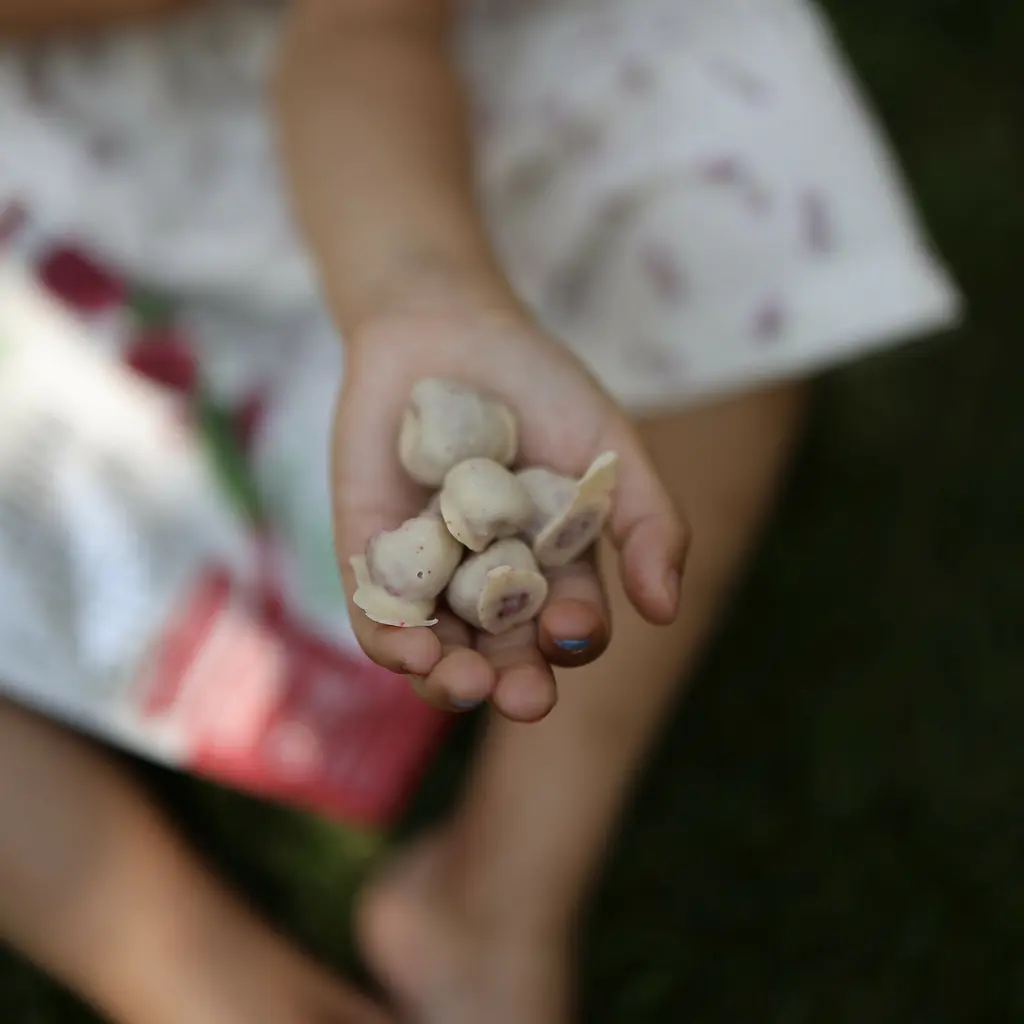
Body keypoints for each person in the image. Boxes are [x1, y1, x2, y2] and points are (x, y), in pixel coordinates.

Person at [0, 1, 959, 1021]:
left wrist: (427, 297)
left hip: (339, 136)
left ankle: (494, 902)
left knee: (738, 183)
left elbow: (364, 33)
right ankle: (214, 987)